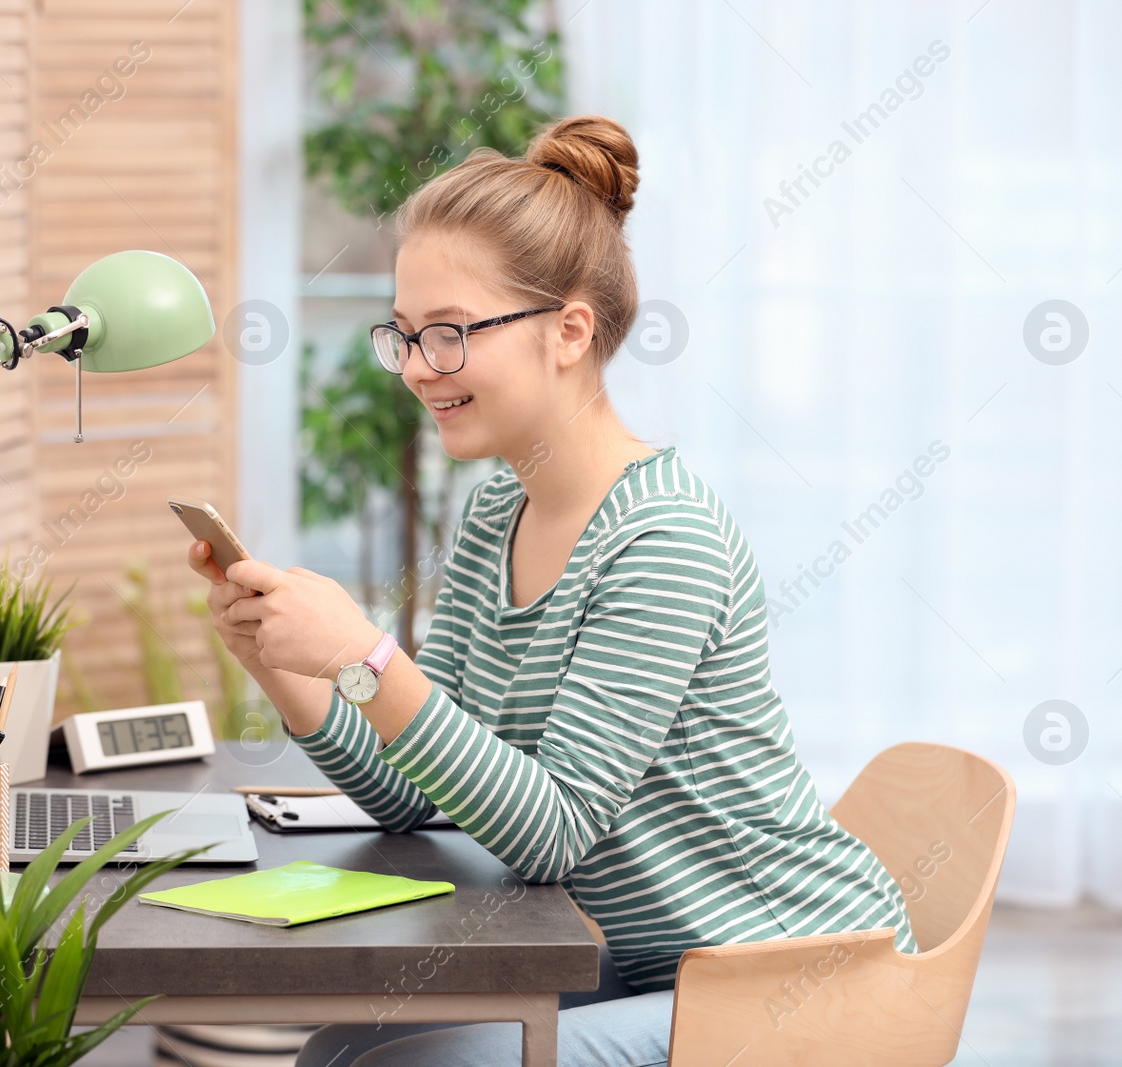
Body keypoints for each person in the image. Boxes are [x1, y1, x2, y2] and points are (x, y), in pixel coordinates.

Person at [187, 114, 917, 1067]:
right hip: (650, 959)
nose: (415, 369)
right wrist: (286, 667)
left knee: (409, 1066)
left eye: (447, 334)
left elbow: (555, 833)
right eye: (402, 335)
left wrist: (362, 653)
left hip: (782, 973)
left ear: (570, 330)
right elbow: (413, 793)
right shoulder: (498, 511)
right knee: (337, 1050)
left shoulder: (665, 541)